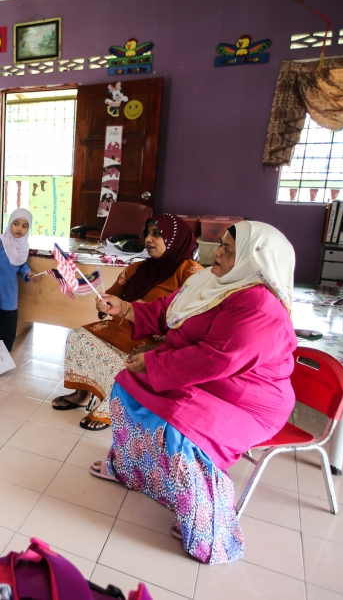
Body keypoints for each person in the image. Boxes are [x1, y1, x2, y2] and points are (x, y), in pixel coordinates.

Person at [90, 221, 297, 565]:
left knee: (182, 428)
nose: (218, 252)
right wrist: (125, 308)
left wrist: (154, 362)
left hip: (247, 399)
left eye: (230, 249)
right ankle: (132, 469)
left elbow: (216, 359)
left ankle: (207, 526)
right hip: (203, 379)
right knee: (128, 386)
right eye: (221, 244)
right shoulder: (210, 282)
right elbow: (168, 311)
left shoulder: (259, 306)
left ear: (253, 260)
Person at [53, 214, 203, 430]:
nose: (149, 240)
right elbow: (113, 294)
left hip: (156, 338)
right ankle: (82, 393)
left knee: (122, 361)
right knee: (78, 336)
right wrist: (103, 303)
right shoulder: (138, 268)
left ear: (174, 239)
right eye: (148, 234)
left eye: (157, 234)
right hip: (121, 328)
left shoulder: (191, 273)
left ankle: (109, 408)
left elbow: (191, 320)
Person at [0, 208, 36, 351]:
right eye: (16, 224)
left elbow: (22, 265)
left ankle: (4, 350)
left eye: (24, 226)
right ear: (9, 223)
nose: (19, 229)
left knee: (8, 320)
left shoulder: (24, 246)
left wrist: (27, 273)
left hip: (9, 290)